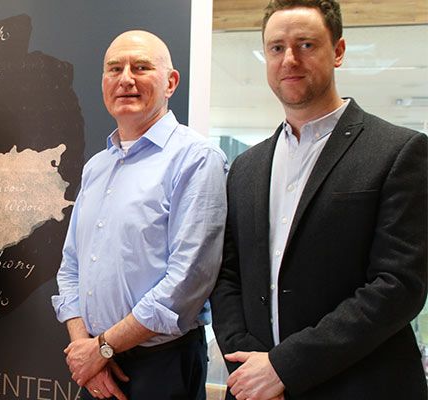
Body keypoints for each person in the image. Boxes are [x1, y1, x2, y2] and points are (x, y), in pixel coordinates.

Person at [210, 1, 428, 399]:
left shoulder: (398, 152)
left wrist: (284, 367)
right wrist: (250, 364)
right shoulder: (245, 167)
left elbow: (398, 286)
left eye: (306, 44)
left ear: (339, 51)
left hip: (360, 387)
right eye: (275, 48)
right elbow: (227, 276)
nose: (289, 59)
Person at [52, 30, 228, 400]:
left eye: (141, 67)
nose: (125, 79)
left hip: (162, 365)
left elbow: (187, 283)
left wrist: (101, 348)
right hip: (95, 361)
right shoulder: (97, 167)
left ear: (171, 82)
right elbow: (70, 266)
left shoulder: (196, 159)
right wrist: (86, 347)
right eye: (114, 69)